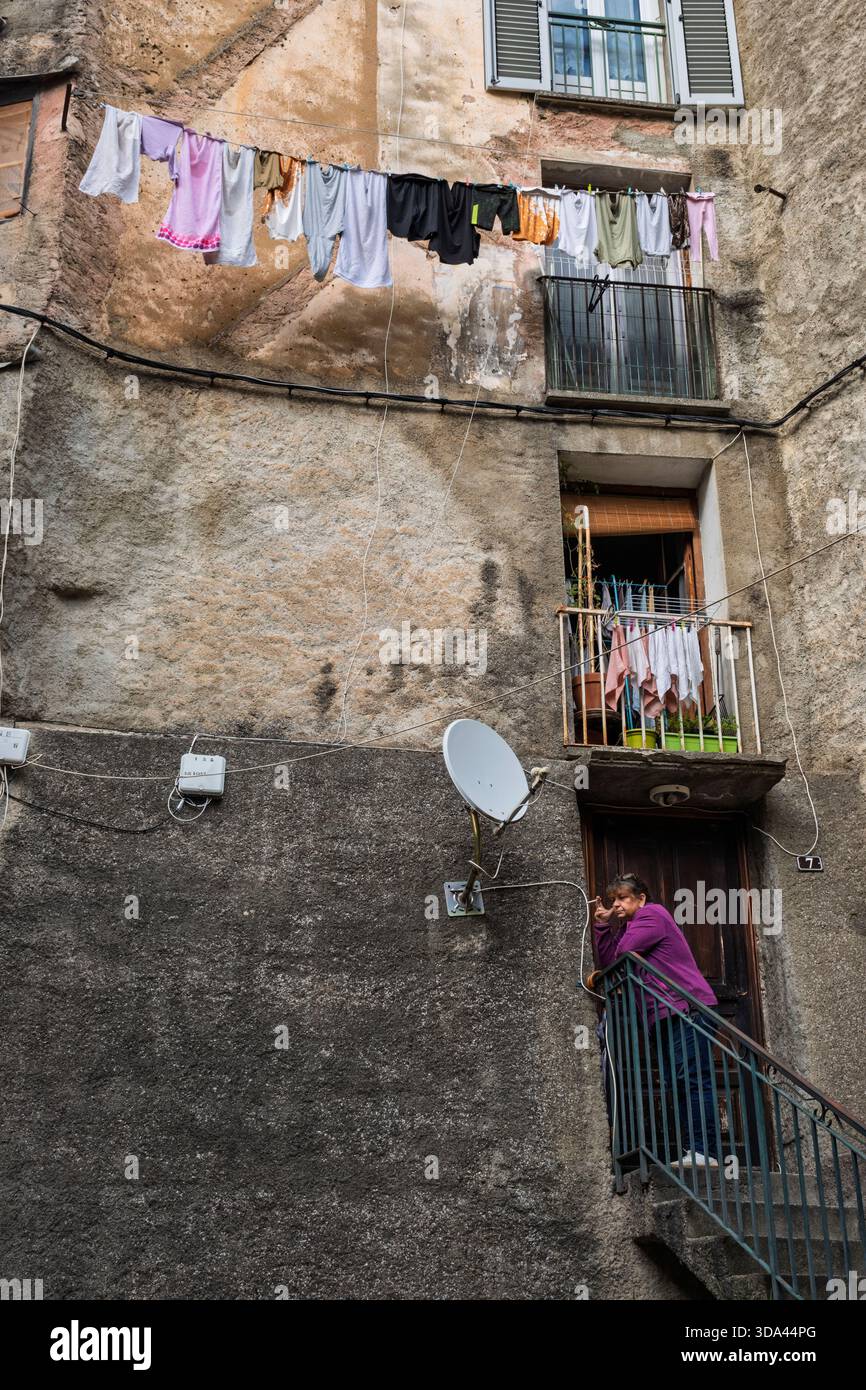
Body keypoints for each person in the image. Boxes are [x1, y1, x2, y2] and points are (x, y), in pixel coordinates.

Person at [593, 872, 722, 1170]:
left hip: (687, 1008)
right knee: (677, 1082)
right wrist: (602, 924)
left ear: (641, 898)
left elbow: (623, 952)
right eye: (614, 899)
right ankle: (696, 1150)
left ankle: (705, 1151)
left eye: (624, 898)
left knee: (692, 1079)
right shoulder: (631, 927)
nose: (618, 904)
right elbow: (611, 962)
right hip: (663, 1015)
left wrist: (614, 922)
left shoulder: (653, 914)